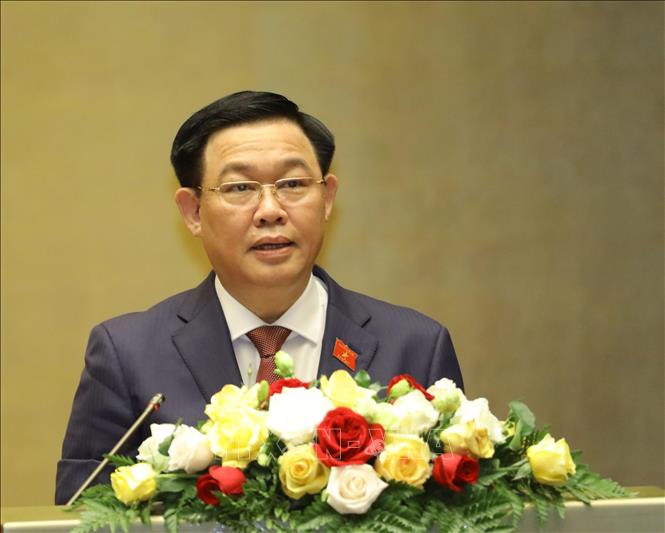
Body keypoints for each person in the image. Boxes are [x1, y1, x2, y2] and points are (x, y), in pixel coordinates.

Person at [55, 91, 463, 504]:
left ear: (327, 198)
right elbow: (81, 516)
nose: (270, 210)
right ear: (193, 211)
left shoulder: (415, 346)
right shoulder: (127, 355)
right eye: (240, 187)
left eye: (293, 184)